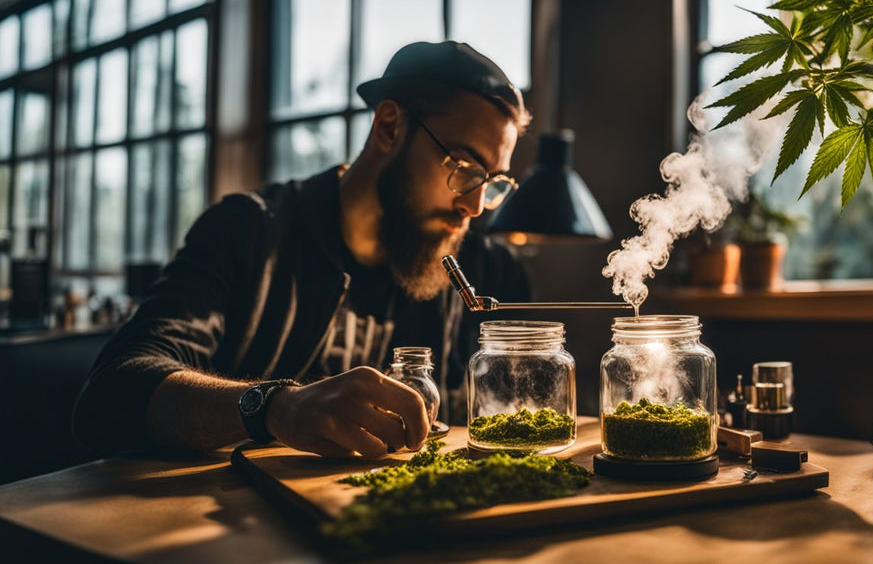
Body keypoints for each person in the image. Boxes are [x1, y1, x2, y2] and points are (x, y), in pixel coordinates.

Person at [73, 41, 532, 460]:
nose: (474, 206)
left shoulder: (462, 263)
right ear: (390, 126)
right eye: (465, 166)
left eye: (492, 183)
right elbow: (111, 393)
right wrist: (275, 408)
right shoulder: (249, 230)